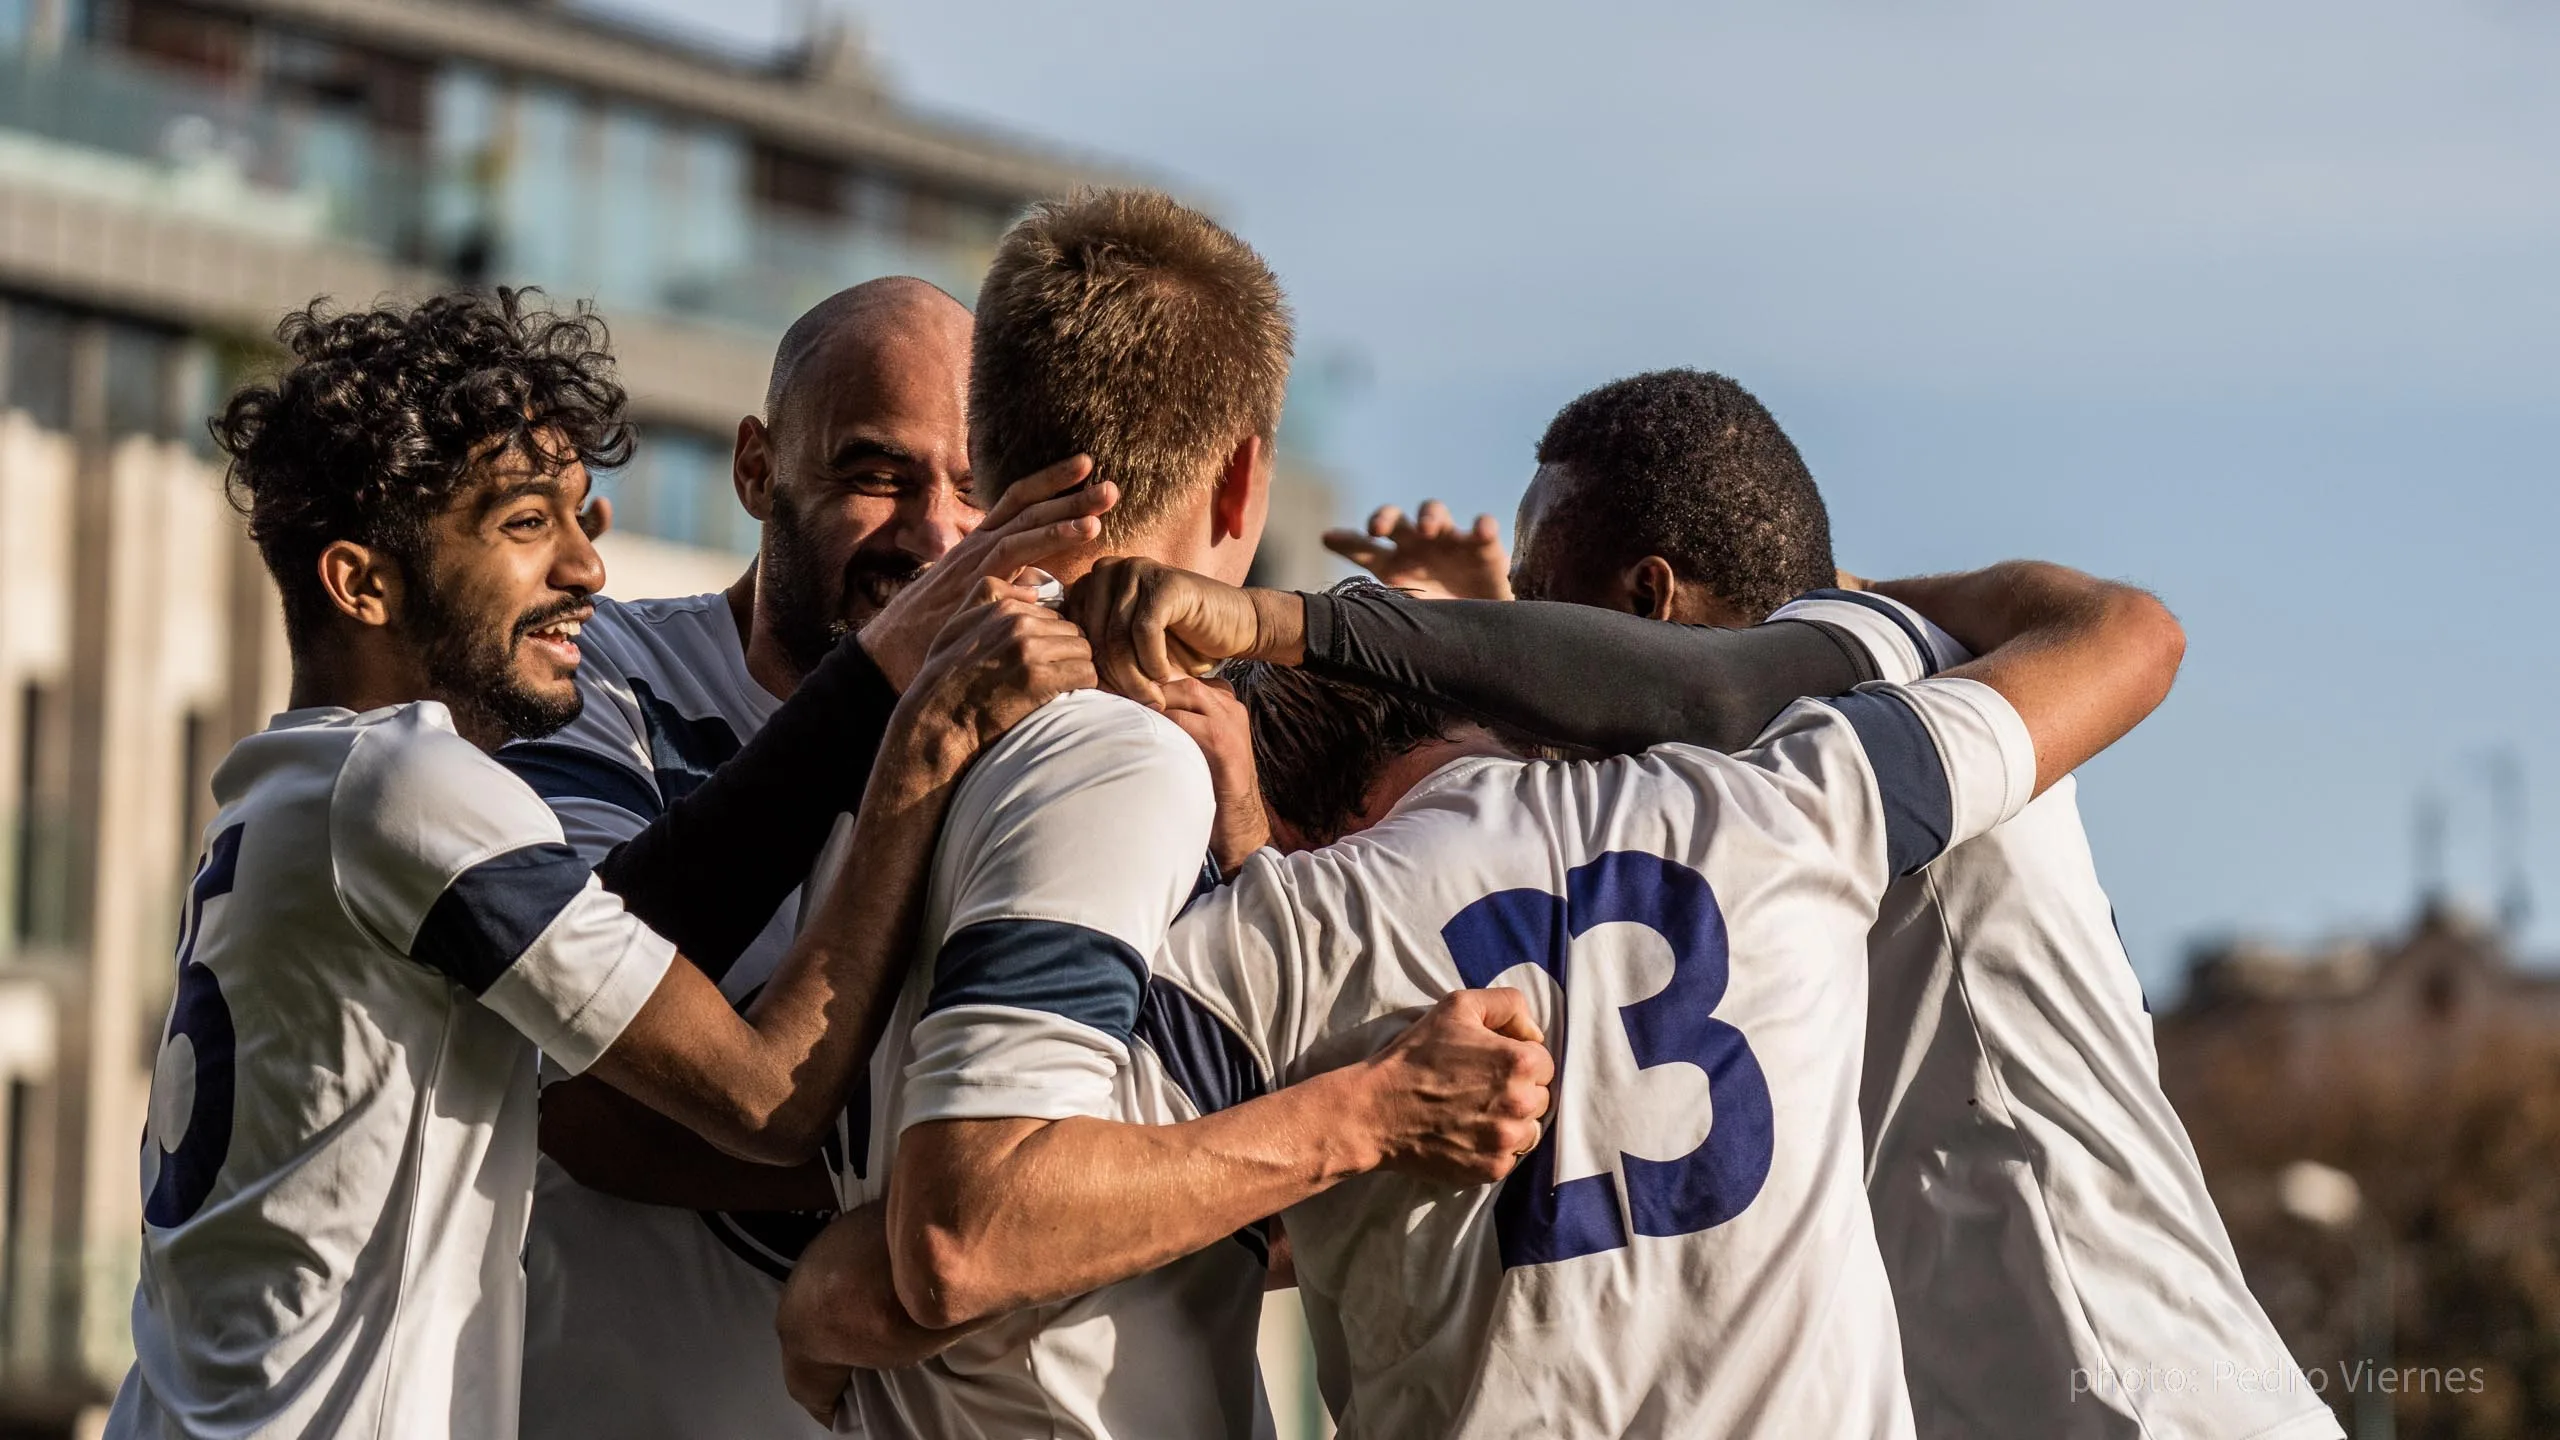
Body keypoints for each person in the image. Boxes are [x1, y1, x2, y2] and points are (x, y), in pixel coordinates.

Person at [810, 551, 2180, 1437]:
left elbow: (920, 1266)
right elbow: (2126, 631)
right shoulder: (1781, 810)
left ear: (1290, 807)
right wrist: (1772, 649)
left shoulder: (1281, 938)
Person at [108, 289, 1093, 1439]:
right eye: (527, 526)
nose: (586, 566)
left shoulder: (292, 790)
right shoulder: (411, 787)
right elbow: (763, 1097)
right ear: (363, 583)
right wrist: (910, 743)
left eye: (584, 516)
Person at [1320, 368, 2340, 1440]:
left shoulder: (1885, 677)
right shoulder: (1740, 803)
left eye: (1544, 611)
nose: (1534, 653)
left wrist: (1367, 635)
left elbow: (1703, 681)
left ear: (1647, 603)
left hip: (2136, 1393)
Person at [763, 189, 1556, 1438]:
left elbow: (1056, 1186)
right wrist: (1370, 1111)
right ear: (1243, 479)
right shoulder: (1112, 760)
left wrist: (832, 1291)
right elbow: (966, 1233)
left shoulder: (916, 732)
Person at [505, 278, 1112, 1440]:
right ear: (755, 471)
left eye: (977, 489)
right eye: (876, 476)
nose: (936, 536)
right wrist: (966, 1168)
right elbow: (574, 1061)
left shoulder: (1043, 753)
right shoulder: (596, 673)